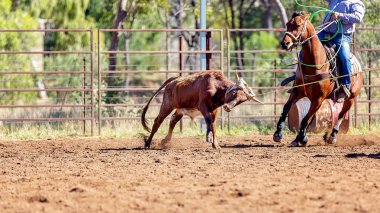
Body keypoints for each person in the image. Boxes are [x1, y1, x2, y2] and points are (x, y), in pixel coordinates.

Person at [319, 0, 365, 103]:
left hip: (342, 35)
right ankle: (298, 77)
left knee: (344, 57)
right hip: (325, 32)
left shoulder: (356, 2)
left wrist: (340, 15)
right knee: (308, 44)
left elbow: (358, 17)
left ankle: (345, 86)